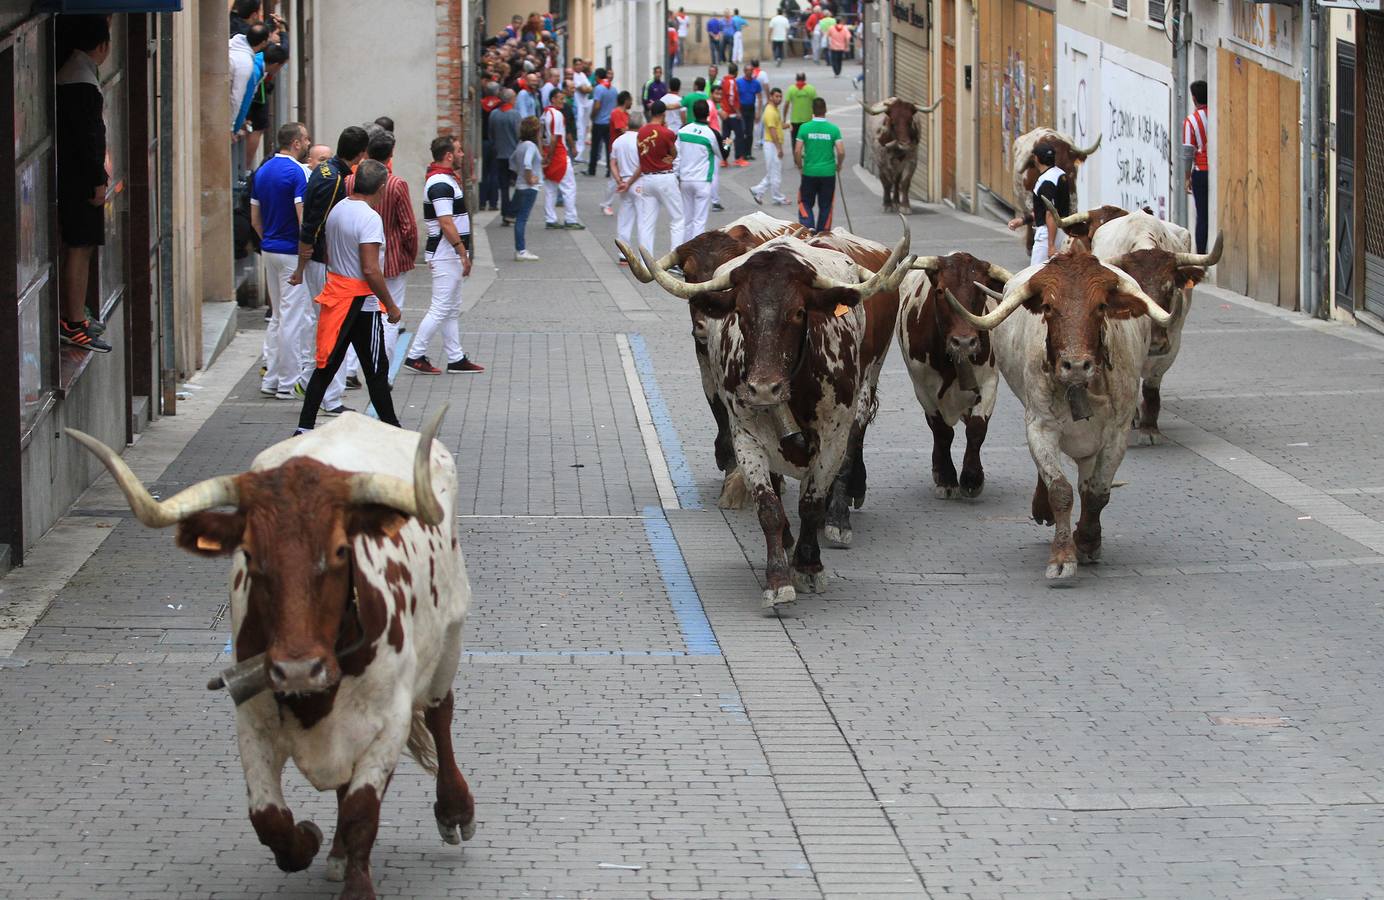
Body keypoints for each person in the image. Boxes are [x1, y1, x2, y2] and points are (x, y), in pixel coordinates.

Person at [295, 160, 403, 433]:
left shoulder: (338, 210)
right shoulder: (369, 218)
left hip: (338, 298)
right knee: (376, 369)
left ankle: (305, 426)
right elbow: (370, 269)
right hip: (362, 303)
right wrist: (391, 305)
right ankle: (392, 427)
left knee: (327, 364)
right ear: (381, 187)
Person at [292, 126, 370, 414]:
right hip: (324, 263)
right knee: (333, 329)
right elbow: (312, 225)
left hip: (321, 262)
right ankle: (331, 397)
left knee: (326, 327)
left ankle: (314, 385)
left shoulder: (325, 171)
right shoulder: (335, 180)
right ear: (361, 154)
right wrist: (303, 263)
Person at [55, 14, 112, 352]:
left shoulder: (77, 75)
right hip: (80, 183)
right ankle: (74, 320)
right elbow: (87, 139)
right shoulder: (80, 82)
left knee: (83, 247)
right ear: (101, 45)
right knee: (80, 247)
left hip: (77, 178)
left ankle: (78, 316)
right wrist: (98, 180)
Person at [404, 136, 483, 375]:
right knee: (440, 308)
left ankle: (456, 357)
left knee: (449, 307)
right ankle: (416, 354)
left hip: (448, 253)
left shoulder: (445, 180)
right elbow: (446, 222)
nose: (462, 155)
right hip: (445, 253)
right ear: (448, 155)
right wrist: (462, 252)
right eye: (459, 151)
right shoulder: (440, 183)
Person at [345, 131, 416, 371]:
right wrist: (409, 253)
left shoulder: (350, 181)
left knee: (358, 314)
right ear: (390, 156)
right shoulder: (396, 184)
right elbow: (408, 225)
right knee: (390, 316)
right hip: (392, 257)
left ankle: (353, 369)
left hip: (359, 257)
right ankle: (382, 371)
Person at [252, 122, 312, 399]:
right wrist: (305, 252)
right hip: (290, 252)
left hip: (269, 248)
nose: (309, 144)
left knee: (277, 316)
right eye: (306, 139)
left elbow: (256, 218)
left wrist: (269, 239)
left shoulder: (262, 171)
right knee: (292, 318)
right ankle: (288, 383)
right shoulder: (298, 171)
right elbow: (303, 218)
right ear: (296, 143)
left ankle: (271, 378)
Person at [1007, 144, 1069, 267]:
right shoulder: (1060, 174)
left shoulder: (1047, 181)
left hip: (1048, 235)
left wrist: (1050, 245)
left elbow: (1050, 213)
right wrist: (1022, 220)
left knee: (1035, 275)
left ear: (1037, 158)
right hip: (1061, 232)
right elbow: (1044, 210)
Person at [635, 101, 684, 256]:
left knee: (647, 223)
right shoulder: (667, 132)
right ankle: (674, 258)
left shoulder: (641, 132)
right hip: (664, 178)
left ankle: (645, 261)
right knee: (678, 219)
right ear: (664, 114)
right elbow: (674, 153)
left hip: (647, 179)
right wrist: (669, 157)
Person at [794, 97, 843, 230]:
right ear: (825, 110)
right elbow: (841, 151)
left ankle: (808, 230)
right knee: (826, 205)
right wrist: (839, 165)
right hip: (828, 173)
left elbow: (797, 151)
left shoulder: (804, 128)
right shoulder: (833, 129)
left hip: (809, 172)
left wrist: (800, 166)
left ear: (812, 111)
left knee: (805, 203)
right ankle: (822, 235)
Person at [678, 100, 719, 244]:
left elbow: (676, 155)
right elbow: (719, 154)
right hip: (702, 181)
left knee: (687, 219)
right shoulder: (710, 134)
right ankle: (695, 254)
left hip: (685, 180)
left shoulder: (682, 131)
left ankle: (683, 251)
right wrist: (727, 145)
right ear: (708, 114)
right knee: (699, 221)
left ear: (693, 113)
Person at [541, 87, 583, 228]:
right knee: (569, 187)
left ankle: (550, 219)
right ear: (553, 99)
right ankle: (570, 219)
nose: (563, 101)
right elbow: (555, 138)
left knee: (550, 188)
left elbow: (540, 136)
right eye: (560, 98)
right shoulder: (557, 114)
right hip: (558, 154)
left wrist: (544, 154)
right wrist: (550, 157)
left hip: (549, 152)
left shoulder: (545, 113)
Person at [242, 43, 288, 164]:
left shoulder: (257, 62)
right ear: (275, 65)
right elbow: (244, 98)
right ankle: (245, 167)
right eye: (280, 67)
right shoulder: (255, 71)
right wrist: (238, 122)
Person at [509, 117, 543, 261]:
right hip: (529, 187)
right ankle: (521, 250)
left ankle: (520, 249)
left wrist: (521, 173)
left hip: (520, 185)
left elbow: (512, 162)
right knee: (522, 219)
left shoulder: (521, 144)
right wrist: (530, 178)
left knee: (519, 218)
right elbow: (528, 163)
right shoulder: (530, 146)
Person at [1183, 79, 1210, 254]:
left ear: (1193, 98)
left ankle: (1201, 256)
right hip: (1216, 171)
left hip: (1200, 172)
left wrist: (1187, 177)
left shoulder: (1191, 121)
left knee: (1202, 216)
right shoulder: (1216, 114)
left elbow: (1188, 152)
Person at [610, 123, 643, 264]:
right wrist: (630, 181)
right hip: (639, 182)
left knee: (624, 219)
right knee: (644, 220)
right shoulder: (641, 140)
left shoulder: (618, 141)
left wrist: (619, 180)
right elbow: (643, 164)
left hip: (623, 182)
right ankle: (644, 254)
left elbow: (612, 163)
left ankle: (623, 253)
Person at [229, 23, 270, 133]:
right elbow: (236, 98)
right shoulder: (245, 63)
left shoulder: (231, 43)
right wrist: (231, 126)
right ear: (263, 42)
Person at [751, 87, 788, 206]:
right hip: (772, 144)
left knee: (773, 171)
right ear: (771, 96)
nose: (779, 98)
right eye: (776, 96)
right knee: (775, 172)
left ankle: (758, 191)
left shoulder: (774, 109)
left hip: (772, 144)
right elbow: (772, 131)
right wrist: (779, 148)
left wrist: (785, 125)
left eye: (780, 96)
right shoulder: (770, 111)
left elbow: (777, 126)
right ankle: (777, 197)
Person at [490, 89, 521, 225]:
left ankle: (505, 213)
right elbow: (519, 135)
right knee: (520, 184)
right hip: (513, 155)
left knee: (504, 187)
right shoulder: (515, 115)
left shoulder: (494, 114)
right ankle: (511, 211)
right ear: (511, 99)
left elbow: (491, 135)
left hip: (499, 154)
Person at [602, 91, 635, 215]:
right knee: (614, 178)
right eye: (630, 100)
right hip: (617, 149)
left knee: (624, 175)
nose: (631, 102)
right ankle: (606, 204)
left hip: (626, 148)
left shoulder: (626, 114)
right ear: (626, 100)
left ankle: (609, 203)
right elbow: (622, 129)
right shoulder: (616, 113)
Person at [479, 82, 503, 211]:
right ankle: (493, 202)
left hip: (482, 141)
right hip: (495, 142)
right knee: (494, 173)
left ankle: (482, 202)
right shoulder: (500, 105)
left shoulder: (480, 104)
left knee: (483, 173)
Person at [588, 70, 617, 177]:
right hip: (610, 122)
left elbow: (597, 105)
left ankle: (592, 169)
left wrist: (592, 116)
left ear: (597, 77)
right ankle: (610, 170)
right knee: (609, 148)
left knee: (595, 147)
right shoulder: (613, 89)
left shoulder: (599, 88)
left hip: (599, 122)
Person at [719, 65, 745, 166]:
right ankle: (738, 157)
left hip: (726, 114)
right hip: (733, 114)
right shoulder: (731, 82)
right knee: (739, 136)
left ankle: (724, 158)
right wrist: (738, 112)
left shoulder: (723, 81)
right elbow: (731, 99)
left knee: (726, 137)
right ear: (736, 72)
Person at [735, 64, 762, 161]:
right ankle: (741, 153)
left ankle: (748, 153)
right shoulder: (739, 82)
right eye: (748, 70)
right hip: (741, 108)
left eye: (751, 70)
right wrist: (737, 110)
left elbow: (759, 98)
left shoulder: (756, 83)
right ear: (744, 71)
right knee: (742, 131)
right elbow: (735, 97)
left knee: (750, 132)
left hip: (751, 108)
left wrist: (758, 112)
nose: (749, 72)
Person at [572, 58, 594, 165]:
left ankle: (580, 154)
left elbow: (590, 88)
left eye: (580, 65)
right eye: (577, 65)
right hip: (578, 105)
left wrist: (586, 88)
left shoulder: (583, 75)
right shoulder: (574, 76)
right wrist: (586, 88)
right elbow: (584, 89)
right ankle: (577, 153)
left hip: (585, 105)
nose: (579, 66)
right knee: (579, 128)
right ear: (574, 66)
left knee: (584, 128)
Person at [784, 73, 817, 143]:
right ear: (805, 79)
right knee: (808, 141)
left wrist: (784, 118)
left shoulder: (791, 89)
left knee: (795, 141)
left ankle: (796, 153)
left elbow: (786, 104)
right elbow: (816, 104)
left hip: (795, 121)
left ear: (796, 79)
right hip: (808, 120)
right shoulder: (811, 89)